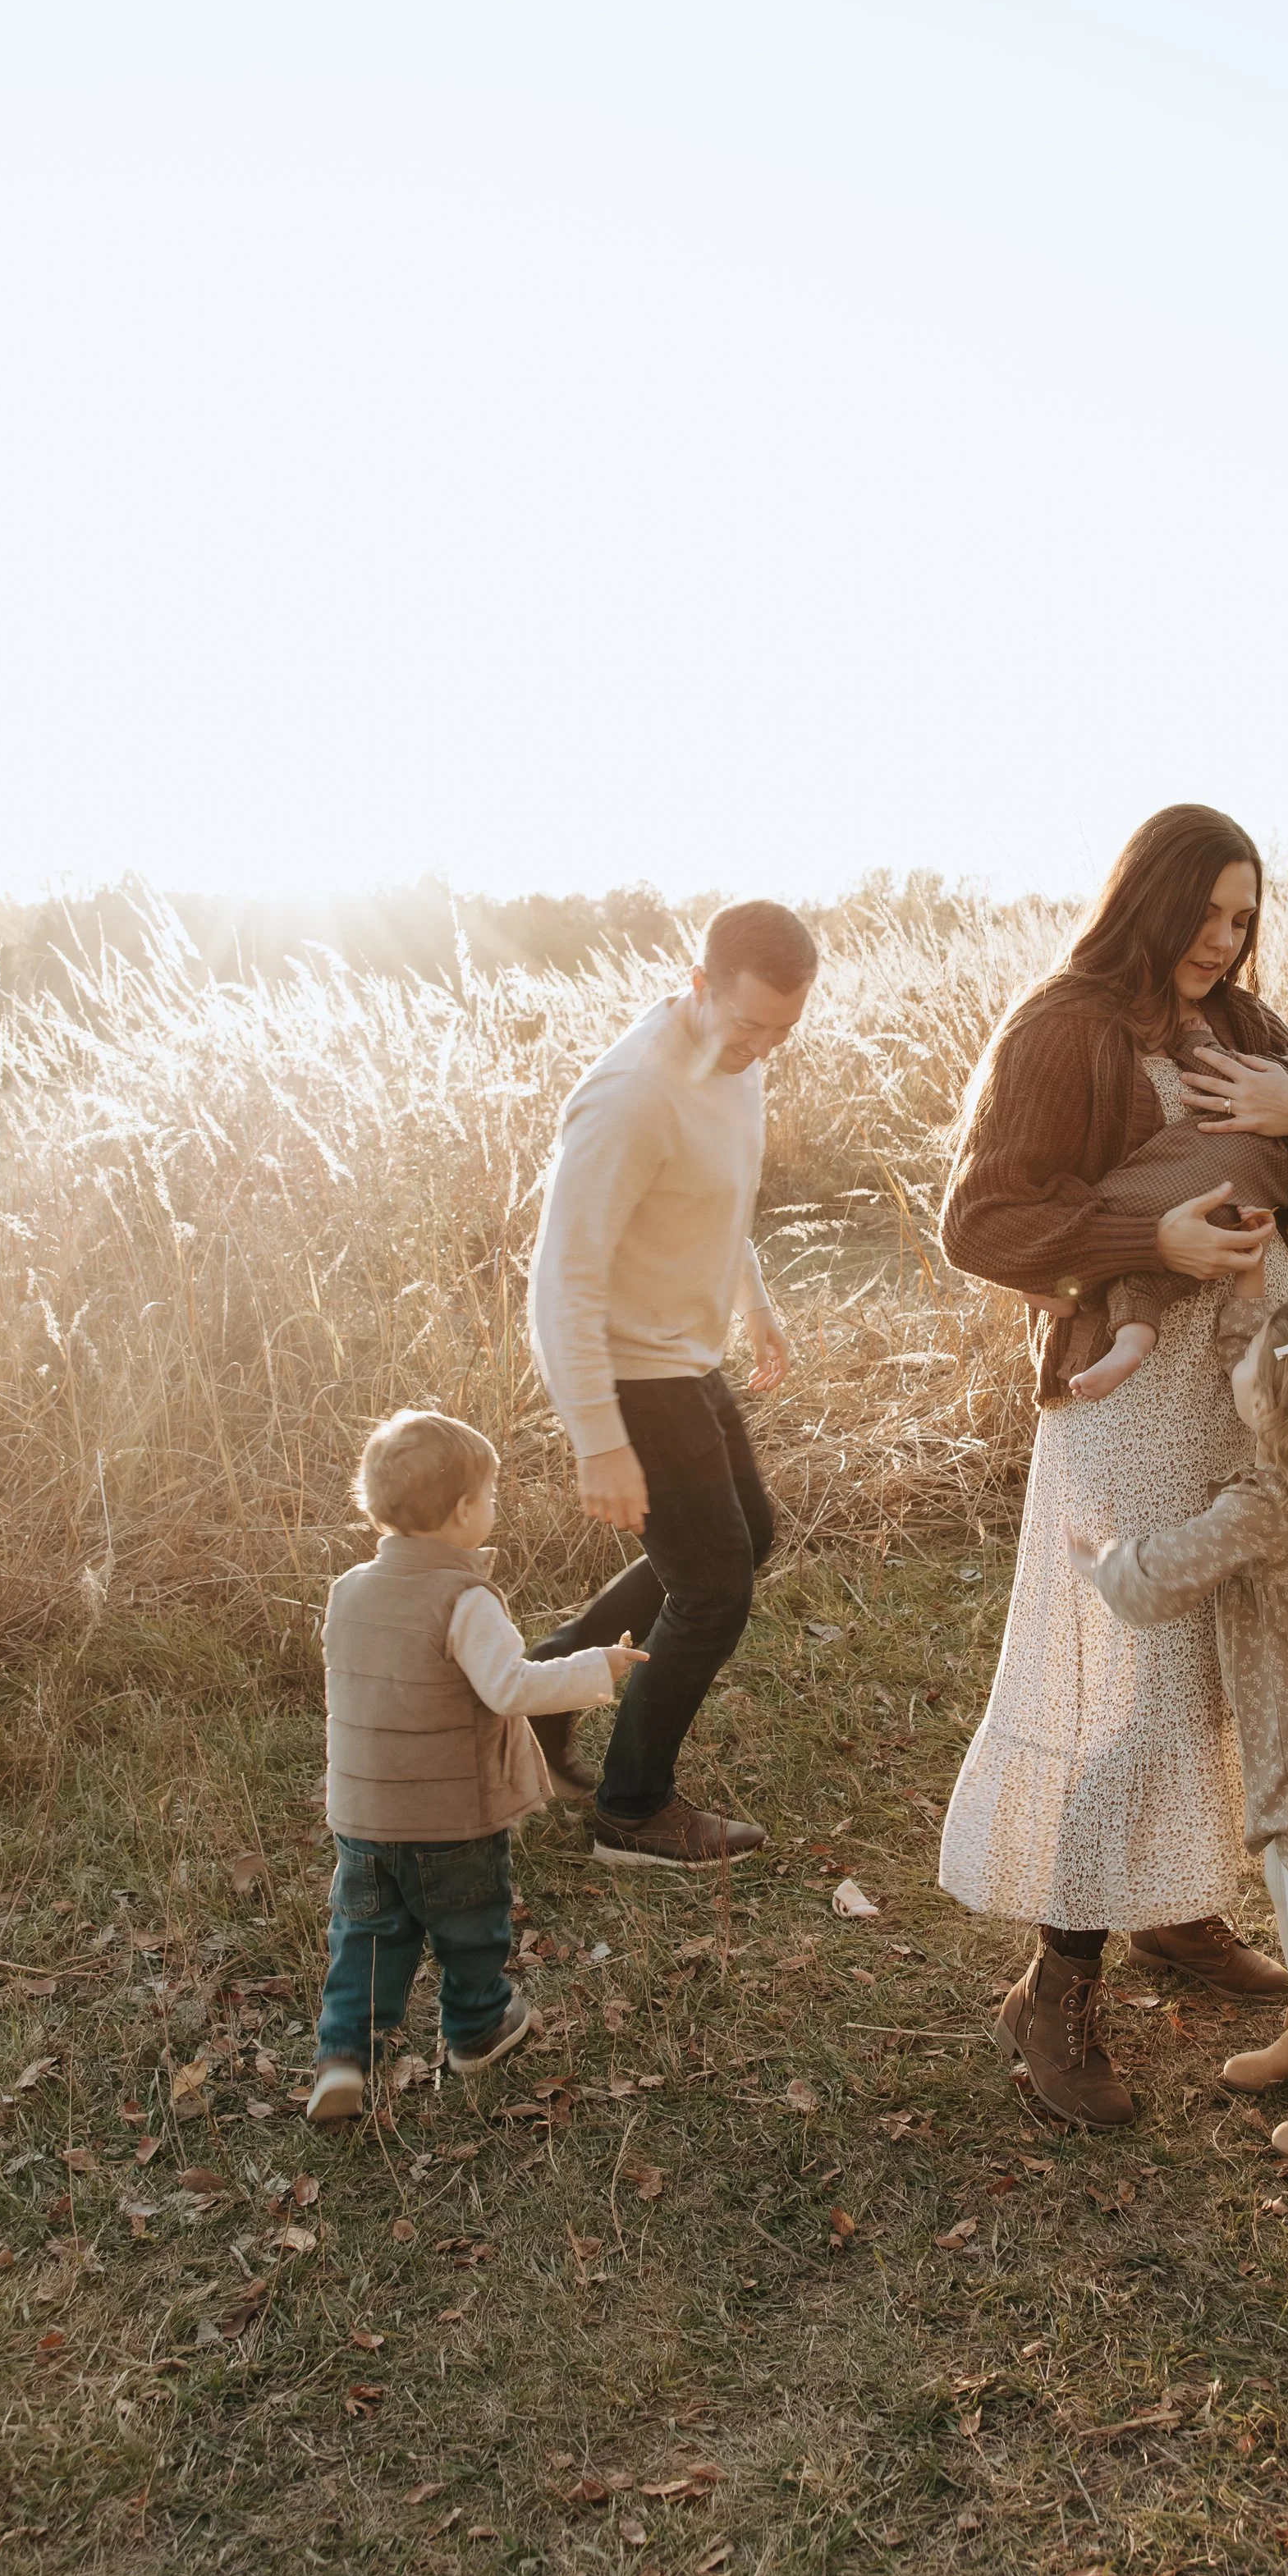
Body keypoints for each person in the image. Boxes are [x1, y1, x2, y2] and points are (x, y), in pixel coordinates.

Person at [936, 803, 1288, 2128]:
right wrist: (1153, 1244)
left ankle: (1174, 1905)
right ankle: (1055, 1986)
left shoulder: (1245, 1024)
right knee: (1130, 1654)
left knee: (1219, 1650)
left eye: (1245, 918)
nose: (1225, 940)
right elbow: (982, 1220)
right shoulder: (1064, 1027)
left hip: (1250, 1371)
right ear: (1150, 896)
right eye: (1206, 912)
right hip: (1131, 1387)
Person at [1071, 1291, 1288, 2167]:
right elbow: (1264, 1348)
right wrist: (1242, 1290)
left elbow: (1160, 1580)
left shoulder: (1266, 1505)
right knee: (1287, 1889)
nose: (1235, 1364)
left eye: (1249, 1364)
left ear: (1272, 1403)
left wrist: (1099, 1560)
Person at [525, 899, 816, 1867]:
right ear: (697, 985)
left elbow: (716, 1199)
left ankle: (538, 1692)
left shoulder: (737, 1059)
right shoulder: (629, 1097)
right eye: (749, 1024)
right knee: (712, 1588)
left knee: (746, 1538)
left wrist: (753, 1302)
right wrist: (597, 1437)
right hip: (628, 1371)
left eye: (783, 1029)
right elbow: (561, 1279)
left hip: (684, 1356)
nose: (762, 1048)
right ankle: (633, 1810)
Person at [307, 1409, 643, 2129]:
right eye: (490, 1496)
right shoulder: (463, 1599)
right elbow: (510, 1687)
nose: (493, 1507)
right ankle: (477, 2027)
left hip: (363, 1815)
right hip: (450, 1816)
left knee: (365, 1936)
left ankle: (343, 2055)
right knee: (469, 1926)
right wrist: (598, 1667)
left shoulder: (348, 1589)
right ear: (463, 1511)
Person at [1073, 1032, 1288, 1401]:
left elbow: (1215, 1066)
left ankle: (1069, 1291)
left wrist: (1191, 1037)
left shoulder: (1280, 1075)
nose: (1279, 1052)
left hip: (1171, 1184)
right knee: (1146, 1283)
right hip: (1229, 1220)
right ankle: (1133, 1340)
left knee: (1092, 1208)